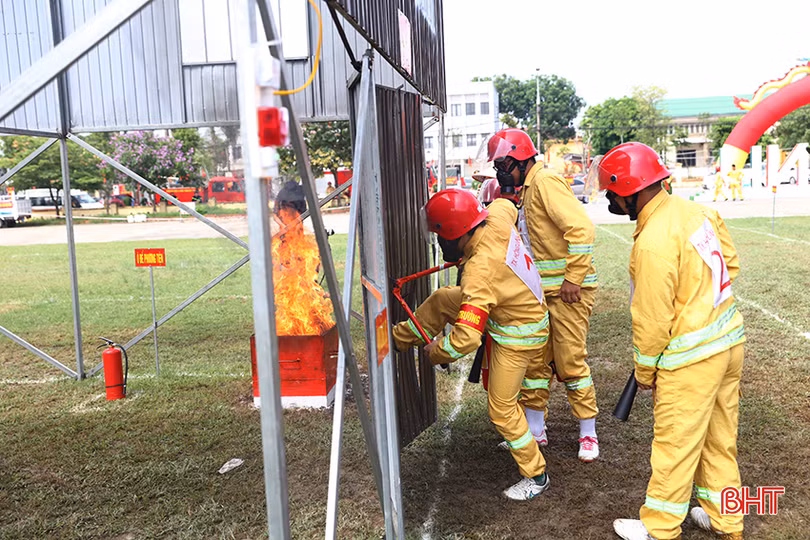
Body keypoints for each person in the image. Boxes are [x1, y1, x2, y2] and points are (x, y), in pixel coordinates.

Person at [599, 142, 745, 540]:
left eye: (612, 193)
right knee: (719, 440)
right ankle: (727, 520)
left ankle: (659, 528)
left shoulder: (651, 243)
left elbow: (652, 320)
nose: (611, 201)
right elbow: (730, 265)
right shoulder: (698, 212)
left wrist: (645, 371)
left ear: (628, 190)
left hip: (690, 359)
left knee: (675, 445)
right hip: (729, 344)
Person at [392, 188, 553, 500]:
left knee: (502, 409)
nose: (439, 242)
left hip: (517, 334)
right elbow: (508, 204)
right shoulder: (497, 217)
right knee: (443, 299)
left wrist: (437, 352)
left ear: (454, 233)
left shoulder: (479, 274)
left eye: (439, 235)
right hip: (522, 309)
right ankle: (397, 339)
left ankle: (536, 475)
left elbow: (466, 339)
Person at [486, 128, 600, 462]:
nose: (501, 172)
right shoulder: (525, 190)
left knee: (569, 361)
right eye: (497, 166)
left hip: (567, 293)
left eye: (504, 165)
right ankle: (536, 430)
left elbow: (581, 229)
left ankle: (588, 432)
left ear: (521, 159)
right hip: (540, 293)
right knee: (535, 362)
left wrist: (573, 279)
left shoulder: (545, 183)